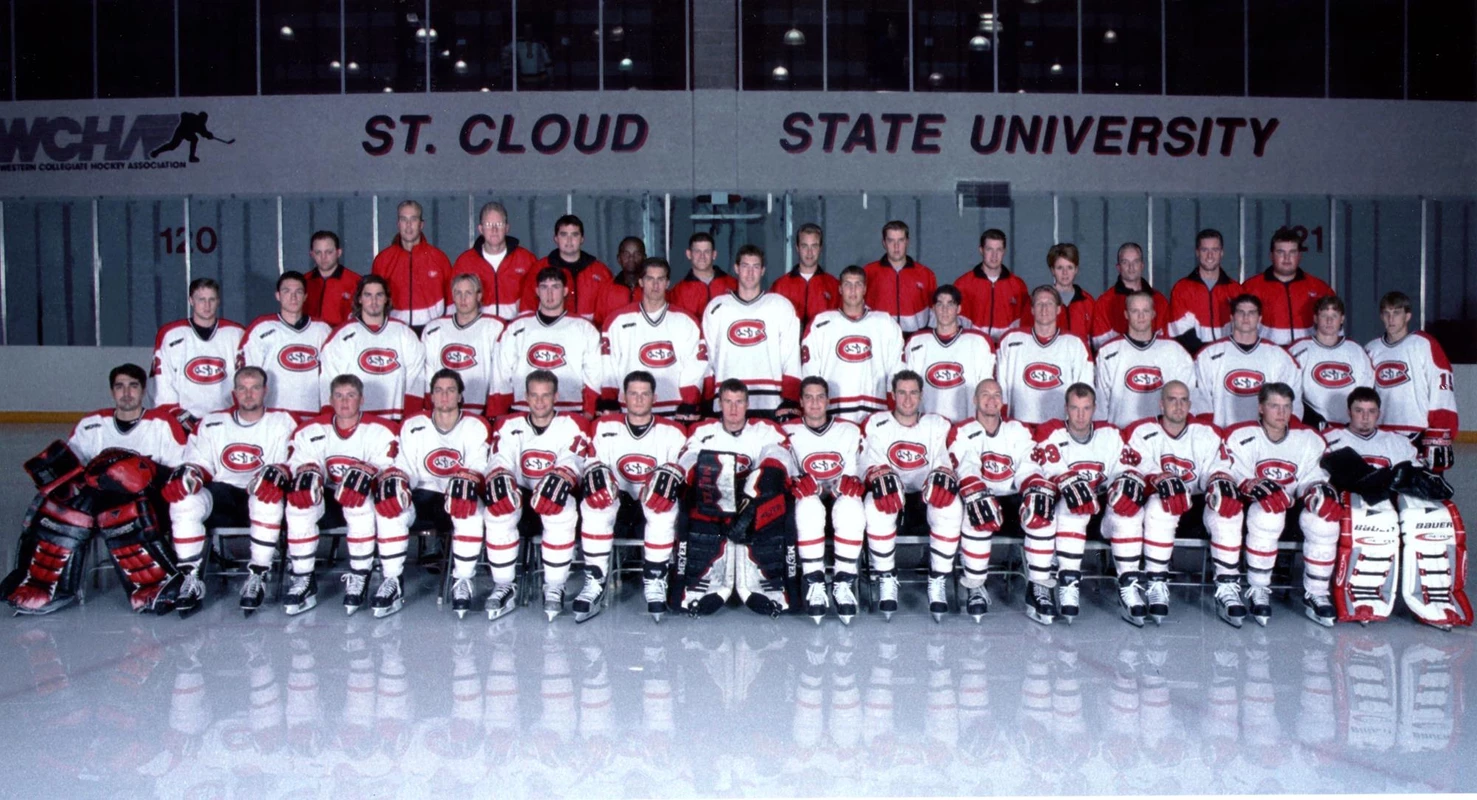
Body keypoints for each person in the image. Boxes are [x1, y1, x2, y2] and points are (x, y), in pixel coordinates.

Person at [2, 364, 188, 615]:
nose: (126, 393)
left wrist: (146, 470)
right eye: (120, 386)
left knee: (124, 511)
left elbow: (180, 470)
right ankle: (39, 584)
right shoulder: (92, 423)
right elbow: (71, 469)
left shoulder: (162, 423)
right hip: (95, 501)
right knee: (56, 509)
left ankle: (156, 586)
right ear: (112, 391)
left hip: (148, 501)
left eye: (133, 386)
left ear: (143, 390)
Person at [1324, 387, 1470, 628]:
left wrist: (1430, 478)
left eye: (1371, 411)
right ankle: (1361, 595)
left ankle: (1435, 596)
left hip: (1395, 506)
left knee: (1434, 518)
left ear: (1379, 413)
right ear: (1349, 412)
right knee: (1376, 519)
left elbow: (1419, 477)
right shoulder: (1331, 438)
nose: (1365, 417)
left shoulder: (1398, 442)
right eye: (1359, 411)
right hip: (1355, 505)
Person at [164, 367, 298, 616]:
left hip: (261, 493)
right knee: (184, 500)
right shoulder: (212, 423)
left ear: (265, 391)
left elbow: (293, 461)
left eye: (255, 388)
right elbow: (198, 462)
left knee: (266, 498)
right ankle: (190, 578)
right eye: (242, 388)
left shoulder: (283, 421)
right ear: (234, 392)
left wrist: (280, 472)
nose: (248, 394)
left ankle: (258, 575)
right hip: (223, 495)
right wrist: (190, 475)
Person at [1103, 380, 1238, 626]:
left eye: (1183, 400)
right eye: (1172, 400)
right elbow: (1132, 468)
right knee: (1155, 504)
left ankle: (1227, 588)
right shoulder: (1140, 431)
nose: (1178, 406)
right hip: (1155, 509)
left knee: (1228, 509)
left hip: (1195, 507)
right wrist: (1157, 477)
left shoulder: (1206, 433)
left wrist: (1218, 480)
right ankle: (1152, 582)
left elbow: (1217, 468)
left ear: (1190, 404)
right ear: (1161, 404)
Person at [284, 374, 406, 616]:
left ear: (362, 399)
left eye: (351, 395)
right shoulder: (311, 429)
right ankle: (303, 577)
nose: (344, 401)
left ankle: (360, 574)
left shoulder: (382, 429)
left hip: (364, 500)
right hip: (328, 496)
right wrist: (310, 473)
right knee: (299, 503)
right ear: (330, 400)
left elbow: (389, 467)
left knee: (356, 497)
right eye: (339, 396)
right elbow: (300, 463)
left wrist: (367, 473)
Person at [675, 379, 798, 616]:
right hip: (713, 497)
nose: (733, 409)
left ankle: (765, 580)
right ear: (719, 404)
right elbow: (688, 458)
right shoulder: (703, 431)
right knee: (701, 494)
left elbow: (780, 455)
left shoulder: (765, 429)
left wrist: (758, 489)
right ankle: (704, 579)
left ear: (747, 404)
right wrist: (705, 476)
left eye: (739, 402)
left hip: (754, 500)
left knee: (770, 490)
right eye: (728, 402)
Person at [1220, 382, 1340, 627]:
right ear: (1261, 407)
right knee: (1268, 513)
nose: (1281, 412)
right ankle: (1258, 588)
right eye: (1274, 406)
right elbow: (1230, 472)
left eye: (1286, 406)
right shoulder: (1240, 435)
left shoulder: (1309, 438)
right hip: (1252, 508)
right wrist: (1251, 484)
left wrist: (1317, 490)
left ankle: (1316, 592)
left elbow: (1313, 476)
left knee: (1324, 520)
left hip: (1294, 506)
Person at [576, 370, 689, 623]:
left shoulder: (673, 431)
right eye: (633, 394)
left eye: (644, 394)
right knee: (596, 501)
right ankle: (595, 580)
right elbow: (591, 462)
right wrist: (596, 472)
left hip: (651, 504)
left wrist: (673, 472)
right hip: (620, 501)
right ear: (623, 397)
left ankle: (655, 578)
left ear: (655, 398)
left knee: (662, 500)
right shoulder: (604, 426)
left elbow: (683, 465)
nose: (638, 399)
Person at [484, 370, 596, 621]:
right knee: (498, 507)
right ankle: (504, 585)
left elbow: (572, 460)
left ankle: (555, 585)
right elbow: (500, 459)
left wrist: (560, 477)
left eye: (546, 396)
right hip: (521, 493)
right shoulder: (508, 424)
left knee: (560, 506)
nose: (540, 402)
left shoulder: (572, 424)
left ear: (556, 397)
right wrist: (501, 477)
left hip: (556, 495)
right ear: (525, 397)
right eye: (534, 395)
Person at [1015, 383, 1126, 625]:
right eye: (1075, 408)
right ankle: (1041, 585)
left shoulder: (1110, 435)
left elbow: (1124, 470)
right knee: (1046, 504)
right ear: (1066, 408)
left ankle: (1126, 584)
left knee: (1127, 510)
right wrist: (1065, 482)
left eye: (1086, 408)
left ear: (1094, 408)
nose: (1080, 415)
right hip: (1060, 509)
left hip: (1100, 511)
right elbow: (1038, 468)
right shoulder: (1051, 432)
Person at [858, 370, 960, 621]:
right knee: (876, 502)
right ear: (892, 395)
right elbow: (867, 462)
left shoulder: (938, 425)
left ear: (921, 395)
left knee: (950, 502)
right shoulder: (876, 423)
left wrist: (944, 474)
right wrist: (878, 474)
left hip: (924, 498)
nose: (907, 399)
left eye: (913, 393)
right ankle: (886, 577)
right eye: (902, 393)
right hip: (894, 499)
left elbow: (947, 462)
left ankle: (938, 579)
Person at [392, 369, 492, 619]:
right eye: (438, 391)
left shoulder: (475, 426)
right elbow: (404, 465)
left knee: (469, 509)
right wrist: (399, 485)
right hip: (423, 493)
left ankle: (463, 580)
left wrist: (463, 484)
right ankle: (391, 579)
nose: (444, 396)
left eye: (450, 390)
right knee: (391, 506)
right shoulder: (413, 425)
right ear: (431, 396)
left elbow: (479, 465)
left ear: (460, 396)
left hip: (458, 494)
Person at [945, 378, 1036, 620]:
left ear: (1003, 401)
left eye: (997, 395)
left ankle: (1039, 587)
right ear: (974, 400)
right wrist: (979, 494)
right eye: (985, 394)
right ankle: (975, 586)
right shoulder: (962, 431)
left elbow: (1028, 465)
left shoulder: (1018, 430)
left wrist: (1033, 490)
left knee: (1041, 507)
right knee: (976, 510)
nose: (991, 400)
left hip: (1012, 499)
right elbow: (967, 467)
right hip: (979, 497)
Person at [784, 376, 866, 623]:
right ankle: (814, 582)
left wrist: (852, 482)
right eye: (809, 397)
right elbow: (785, 468)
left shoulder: (849, 430)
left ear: (828, 400)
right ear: (800, 402)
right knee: (808, 505)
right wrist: (794, 480)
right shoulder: (787, 431)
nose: (815, 403)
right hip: (807, 501)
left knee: (851, 505)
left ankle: (844, 582)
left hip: (838, 498)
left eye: (820, 397)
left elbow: (854, 472)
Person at [701, 244, 802, 419]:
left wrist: (791, 398)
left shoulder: (780, 305)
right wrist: (708, 399)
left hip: (771, 402)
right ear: (736, 268)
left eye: (755, 267)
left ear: (763, 271)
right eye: (745, 266)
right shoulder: (717, 307)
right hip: (727, 402)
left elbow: (791, 355)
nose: (750, 273)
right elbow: (707, 356)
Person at [599, 257, 708, 420]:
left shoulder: (686, 321)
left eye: (660, 279)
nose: (655, 285)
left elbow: (695, 364)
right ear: (641, 282)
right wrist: (609, 397)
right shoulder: (617, 321)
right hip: (631, 410)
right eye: (650, 279)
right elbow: (608, 363)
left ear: (668, 283)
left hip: (675, 410)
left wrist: (689, 401)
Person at [488, 267, 603, 418]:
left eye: (555, 287)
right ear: (537, 291)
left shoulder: (584, 328)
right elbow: (501, 373)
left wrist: (589, 411)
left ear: (565, 291)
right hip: (524, 410)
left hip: (570, 410)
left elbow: (594, 374)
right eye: (544, 287)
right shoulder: (517, 327)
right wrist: (499, 411)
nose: (549, 293)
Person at [1364, 290, 1459, 471]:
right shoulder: (1371, 349)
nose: (1391, 319)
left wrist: (1440, 430)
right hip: (1382, 434)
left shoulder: (1423, 344)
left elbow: (1442, 387)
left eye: (1397, 313)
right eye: (1386, 313)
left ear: (1407, 316)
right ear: (1381, 316)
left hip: (1418, 434)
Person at [800, 265, 904, 422]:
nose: (853, 290)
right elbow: (810, 373)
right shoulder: (821, 323)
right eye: (848, 284)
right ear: (840, 289)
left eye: (858, 284)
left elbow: (897, 371)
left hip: (876, 413)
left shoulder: (885, 323)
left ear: (865, 289)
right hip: (833, 414)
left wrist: (893, 410)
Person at [318, 274, 427, 422]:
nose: (374, 301)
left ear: (386, 299)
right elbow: (329, 380)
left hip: (394, 420)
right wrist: (330, 419)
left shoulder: (404, 333)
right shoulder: (341, 335)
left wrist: (409, 419)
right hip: (355, 421)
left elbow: (415, 379)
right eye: (368, 295)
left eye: (379, 295)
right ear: (359, 299)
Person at [1192, 294, 1301, 428]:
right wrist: (1210, 432)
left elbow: (1293, 401)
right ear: (1232, 317)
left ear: (1259, 318)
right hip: (1223, 433)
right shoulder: (1208, 355)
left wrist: (1282, 433)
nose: (1246, 317)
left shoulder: (1279, 356)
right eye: (1240, 312)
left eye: (1251, 313)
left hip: (1265, 436)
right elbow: (1200, 400)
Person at [150, 277, 245, 432]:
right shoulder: (171, 334)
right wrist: (177, 414)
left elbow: (246, 378)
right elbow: (161, 383)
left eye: (211, 299)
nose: (207, 305)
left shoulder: (236, 333)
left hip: (226, 422)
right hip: (182, 423)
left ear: (218, 301)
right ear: (191, 301)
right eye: (201, 300)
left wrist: (235, 414)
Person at [237, 271, 332, 420]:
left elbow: (332, 374)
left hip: (312, 415)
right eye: (287, 291)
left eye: (298, 292)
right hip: (273, 416)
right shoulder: (261, 328)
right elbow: (246, 376)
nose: (293, 297)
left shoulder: (322, 330)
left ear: (305, 296)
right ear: (278, 295)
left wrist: (328, 411)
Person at [996, 286, 1094, 428]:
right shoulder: (1010, 340)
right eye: (1039, 304)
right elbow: (1000, 387)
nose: (1044, 309)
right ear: (1032, 309)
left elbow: (1085, 392)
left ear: (1058, 309)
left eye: (1049, 303)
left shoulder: (1075, 344)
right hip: (1018, 427)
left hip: (1060, 429)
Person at [1094, 290, 1193, 428]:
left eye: (1145, 311)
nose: (1141, 316)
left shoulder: (1175, 351)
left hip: (1163, 435)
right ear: (1126, 314)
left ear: (1153, 314)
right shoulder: (1107, 352)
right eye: (1135, 311)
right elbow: (1100, 405)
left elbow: (1189, 401)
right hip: (1121, 434)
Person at [904, 285, 996, 422]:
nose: (944, 309)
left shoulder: (978, 342)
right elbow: (907, 388)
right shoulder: (916, 342)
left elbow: (986, 389)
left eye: (950, 304)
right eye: (940, 304)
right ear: (933, 308)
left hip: (966, 426)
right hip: (927, 426)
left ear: (958, 309)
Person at [419, 273, 505, 418]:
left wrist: (493, 409)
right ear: (452, 296)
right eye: (458, 293)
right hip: (444, 410)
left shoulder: (495, 327)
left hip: (481, 410)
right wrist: (430, 406)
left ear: (478, 296)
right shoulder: (434, 329)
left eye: (468, 293)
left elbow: (500, 374)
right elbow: (428, 373)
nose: (463, 299)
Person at [1288, 295, 1373, 429]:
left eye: (1334, 316)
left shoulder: (1356, 351)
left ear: (1342, 319)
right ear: (1315, 318)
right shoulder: (1299, 349)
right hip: (1312, 427)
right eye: (1324, 315)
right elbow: (1290, 392)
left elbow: (1365, 390)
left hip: (1349, 428)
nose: (1329, 321)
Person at [1240, 227, 1334, 346]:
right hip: (1267, 355)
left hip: (1308, 355)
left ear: (1299, 256)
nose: (1287, 258)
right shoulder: (1250, 288)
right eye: (1280, 252)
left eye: (1292, 252)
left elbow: (1335, 328)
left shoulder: (1320, 288)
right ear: (1271, 255)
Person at [371, 200, 454, 332]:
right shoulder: (383, 260)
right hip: (395, 332)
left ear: (421, 224)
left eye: (413, 219)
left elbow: (451, 303)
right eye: (404, 219)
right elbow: (374, 301)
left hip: (432, 333)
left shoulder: (439, 259)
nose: (408, 225)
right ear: (398, 224)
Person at [451, 201, 540, 319]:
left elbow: (538, 299)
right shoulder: (465, 262)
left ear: (507, 228)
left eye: (499, 224)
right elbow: (454, 303)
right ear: (481, 229)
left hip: (517, 327)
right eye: (488, 224)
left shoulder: (526, 259)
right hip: (479, 327)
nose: (494, 230)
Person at [1168, 228, 1243, 356]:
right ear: (1197, 253)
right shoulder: (1182, 289)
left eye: (1215, 250)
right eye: (1204, 250)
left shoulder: (1235, 290)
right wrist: (1208, 357)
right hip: (1195, 360)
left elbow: (1242, 330)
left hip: (1228, 359)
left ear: (1222, 253)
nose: (1210, 256)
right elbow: (1180, 333)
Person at [525, 214, 613, 322]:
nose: (569, 240)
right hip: (552, 331)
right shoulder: (539, 268)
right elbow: (527, 309)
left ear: (582, 239)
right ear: (556, 238)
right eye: (564, 235)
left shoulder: (600, 271)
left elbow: (609, 313)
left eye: (574, 235)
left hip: (591, 331)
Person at [955, 228, 1030, 344]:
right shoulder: (963, 284)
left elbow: (1026, 323)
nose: (994, 255)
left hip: (1007, 349)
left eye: (999, 250)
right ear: (981, 250)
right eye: (989, 249)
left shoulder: (1018, 286)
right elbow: (953, 323)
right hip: (972, 348)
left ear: (1004, 251)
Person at [1090, 243, 1170, 350]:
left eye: (1135, 261)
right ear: (1118, 267)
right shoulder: (1105, 302)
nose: (1131, 267)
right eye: (1125, 262)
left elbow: (1167, 341)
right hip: (1120, 360)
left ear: (1142, 265)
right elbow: (1101, 346)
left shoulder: (1159, 300)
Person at [863, 220, 938, 333]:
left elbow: (934, 313)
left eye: (901, 240)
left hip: (915, 338)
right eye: (891, 240)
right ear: (884, 243)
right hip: (879, 337)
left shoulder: (926, 274)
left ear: (907, 242)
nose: (896, 246)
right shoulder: (868, 272)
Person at [770, 223, 840, 331]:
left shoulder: (833, 285)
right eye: (804, 246)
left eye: (814, 246)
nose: (809, 252)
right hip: (789, 341)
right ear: (797, 248)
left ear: (820, 248)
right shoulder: (780, 286)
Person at [1030, 243, 1095, 342]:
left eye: (1070, 267)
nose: (1065, 273)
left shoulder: (1088, 302)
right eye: (1060, 268)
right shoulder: (1039, 300)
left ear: (1076, 270)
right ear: (1052, 270)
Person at [669, 232, 737, 319]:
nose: (702, 256)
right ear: (689, 254)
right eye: (697, 251)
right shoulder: (678, 292)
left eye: (707, 251)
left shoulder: (733, 285)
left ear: (714, 254)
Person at [303, 231, 360, 328]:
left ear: (338, 253)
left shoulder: (356, 282)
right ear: (311, 254)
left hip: (343, 335)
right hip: (309, 335)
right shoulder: (303, 282)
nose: (323, 257)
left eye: (329, 252)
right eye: (318, 252)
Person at [590, 236, 648, 330]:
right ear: (619, 258)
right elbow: (598, 323)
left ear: (644, 258)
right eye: (626, 254)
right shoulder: (606, 289)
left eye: (637, 254)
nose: (631, 258)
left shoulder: (652, 288)